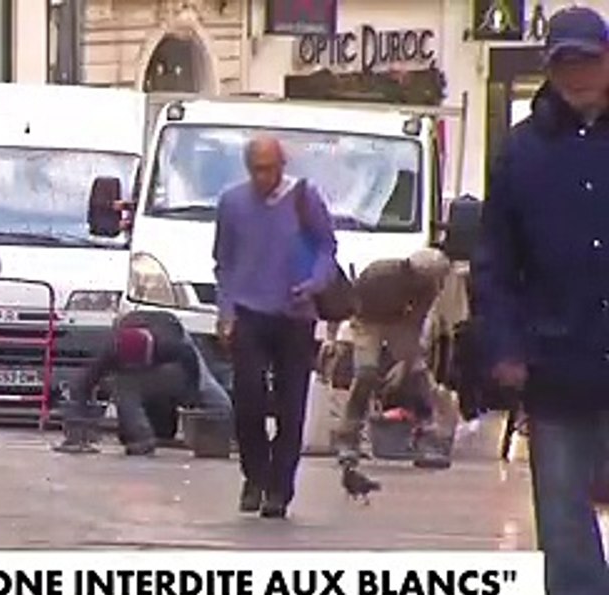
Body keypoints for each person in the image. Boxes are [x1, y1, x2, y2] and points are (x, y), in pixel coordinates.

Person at [474, 5, 609, 595]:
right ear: (550, 67)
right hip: (558, 357)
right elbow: (495, 260)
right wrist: (505, 345)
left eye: (590, 59)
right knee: (562, 507)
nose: (579, 74)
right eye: (567, 62)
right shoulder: (523, 152)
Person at [213, 135, 338, 519]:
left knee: (290, 403)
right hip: (250, 311)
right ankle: (255, 475)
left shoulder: (304, 198)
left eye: (269, 168)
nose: (263, 176)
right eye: (256, 169)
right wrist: (226, 311)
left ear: (281, 166)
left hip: (294, 314)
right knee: (247, 397)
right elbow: (224, 261)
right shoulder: (232, 203)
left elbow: (326, 248)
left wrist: (314, 282)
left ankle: (279, 489)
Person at [330, 248, 453, 468]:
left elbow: (416, 321)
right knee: (366, 373)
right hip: (367, 319)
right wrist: (336, 337)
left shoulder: (429, 286)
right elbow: (346, 303)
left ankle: (428, 434)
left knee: (417, 375)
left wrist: (406, 363)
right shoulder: (379, 275)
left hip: (400, 321)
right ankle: (348, 436)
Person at [62, 310, 232, 455]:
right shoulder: (113, 349)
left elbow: (192, 367)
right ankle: (141, 438)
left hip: (172, 330)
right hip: (132, 332)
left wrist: (191, 393)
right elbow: (85, 381)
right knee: (124, 387)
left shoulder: (171, 344)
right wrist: (78, 420)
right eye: (131, 367)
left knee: (208, 389)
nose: (138, 371)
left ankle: (225, 428)